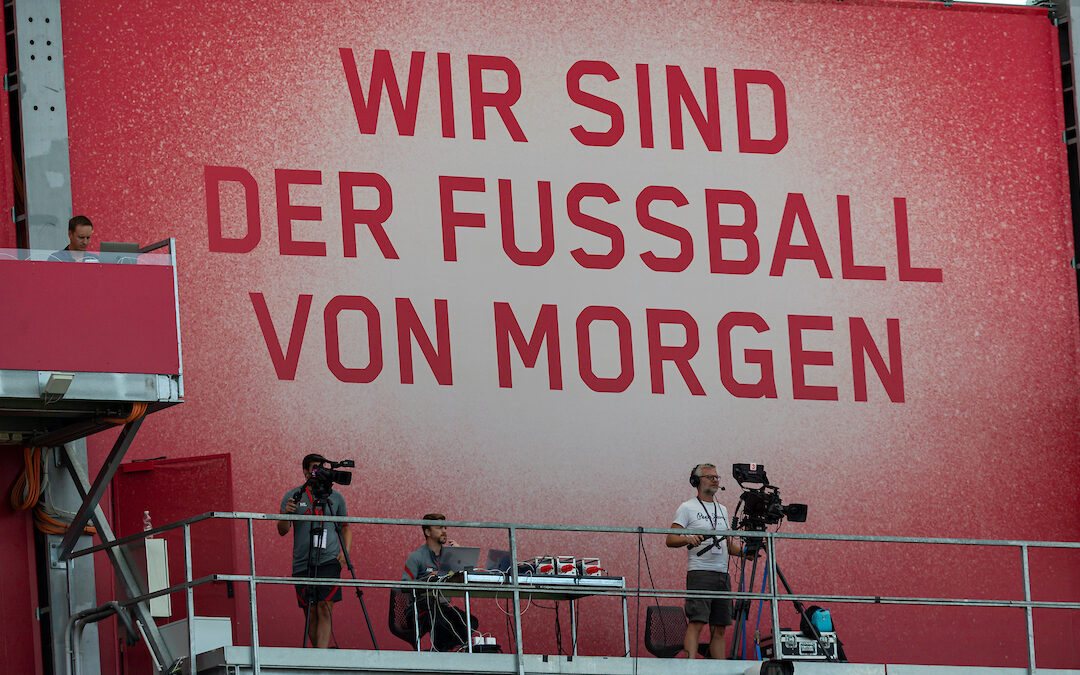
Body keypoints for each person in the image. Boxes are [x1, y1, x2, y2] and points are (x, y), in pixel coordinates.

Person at [665, 463, 745, 659]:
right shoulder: (687, 507)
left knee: (720, 628)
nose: (715, 480)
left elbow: (726, 543)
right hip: (700, 572)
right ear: (696, 481)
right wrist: (687, 538)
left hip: (722, 574)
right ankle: (690, 668)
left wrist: (745, 552)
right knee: (697, 622)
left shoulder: (723, 509)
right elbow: (670, 539)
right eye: (710, 476)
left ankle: (720, 670)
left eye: (717, 477)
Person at [278, 454, 352, 648]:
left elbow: (345, 527)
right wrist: (287, 513)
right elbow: (282, 530)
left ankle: (322, 659)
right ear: (305, 472)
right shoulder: (293, 495)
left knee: (325, 609)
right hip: (303, 562)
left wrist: (346, 553)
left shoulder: (335, 497)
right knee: (310, 613)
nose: (319, 472)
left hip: (329, 559)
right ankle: (320, 654)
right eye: (314, 468)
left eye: (322, 468)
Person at [401, 513, 475, 651]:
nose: (444, 531)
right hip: (420, 609)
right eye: (440, 528)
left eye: (445, 528)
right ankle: (438, 654)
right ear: (427, 532)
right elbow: (405, 586)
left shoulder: (450, 555)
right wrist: (428, 579)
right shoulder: (416, 557)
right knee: (441, 620)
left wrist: (460, 555)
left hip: (442, 607)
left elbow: (468, 576)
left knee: (471, 622)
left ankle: (437, 652)